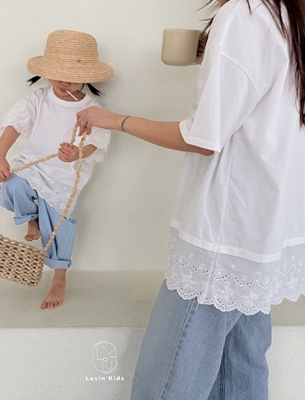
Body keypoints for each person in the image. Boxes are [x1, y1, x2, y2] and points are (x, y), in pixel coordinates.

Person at [77, 0, 305, 398]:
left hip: (224, 232)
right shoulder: (290, 15)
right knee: (241, 370)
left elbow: (203, 137)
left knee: (165, 385)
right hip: (263, 229)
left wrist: (117, 120)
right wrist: (213, 49)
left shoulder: (245, 14)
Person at [0, 30, 113, 310]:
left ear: (87, 77)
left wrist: (78, 154)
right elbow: (15, 125)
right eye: (57, 74)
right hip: (32, 165)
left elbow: (96, 142)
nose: (64, 81)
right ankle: (30, 217)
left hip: (65, 175)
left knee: (57, 225)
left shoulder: (92, 107)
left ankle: (59, 279)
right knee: (12, 184)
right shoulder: (38, 99)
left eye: (71, 76)